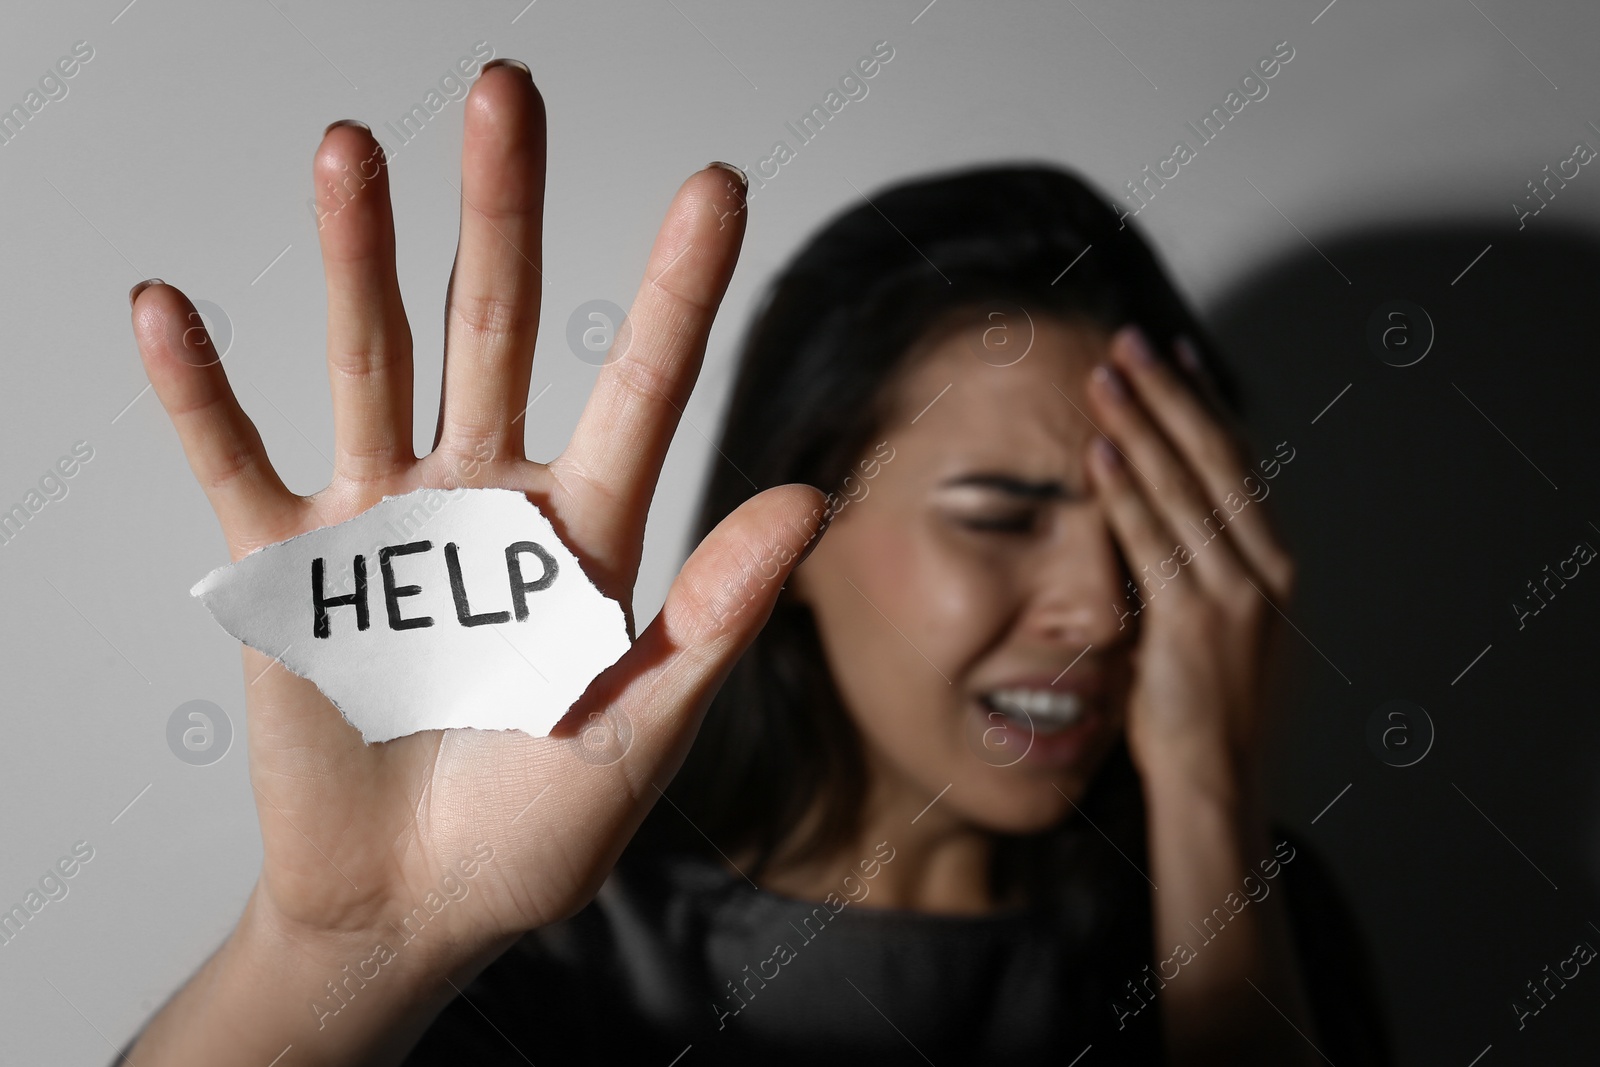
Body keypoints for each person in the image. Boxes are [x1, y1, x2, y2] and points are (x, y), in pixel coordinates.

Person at [120, 60, 1388, 1066]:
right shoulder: (543, 939)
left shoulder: (1247, 914)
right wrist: (345, 944)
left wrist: (1208, 809)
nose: (1105, 609)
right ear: (800, 525)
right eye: (1001, 512)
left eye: (1161, 530)